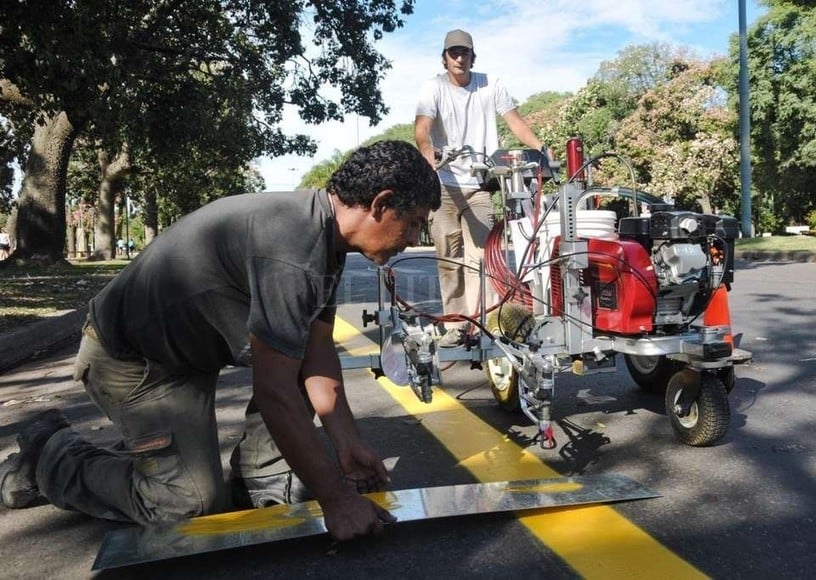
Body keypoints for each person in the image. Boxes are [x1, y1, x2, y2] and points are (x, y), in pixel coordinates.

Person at [0, 140, 441, 543]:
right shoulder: (293, 247)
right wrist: (337, 500)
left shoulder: (327, 239)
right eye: (415, 223)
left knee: (292, 364)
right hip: (133, 362)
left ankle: (258, 477)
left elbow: (317, 351)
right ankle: (49, 455)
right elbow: (274, 394)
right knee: (188, 502)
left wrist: (347, 440)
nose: (415, 240)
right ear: (382, 204)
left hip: (188, 356)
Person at [414, 29, 552, 347]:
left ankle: (481, 322)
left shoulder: (490, 85)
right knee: (450, 261)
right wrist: (427, 151)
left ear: (472, 56)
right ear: (445, 57)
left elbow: (514, 121)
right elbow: (422, 127)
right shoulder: (433, 87)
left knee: (480, 259)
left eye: (464, 52)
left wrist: (542, 147)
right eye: (453, 53)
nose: (459, 57)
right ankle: (455, 325)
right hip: (444, 185)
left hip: (478, 184)